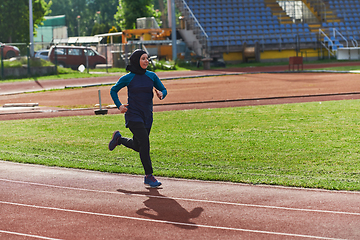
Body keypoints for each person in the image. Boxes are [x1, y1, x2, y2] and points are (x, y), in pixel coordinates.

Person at [108, 49, 167, 188]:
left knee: (138, 146)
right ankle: (149, 176)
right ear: (136, 60)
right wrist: (119, 106)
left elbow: (164, 89)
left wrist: (161, 94)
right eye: (143, 58)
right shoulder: (128, 77)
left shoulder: (152, 76)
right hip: (133, 115)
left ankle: (119, 139)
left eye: (147, 58)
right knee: (145, 143)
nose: (146, 61)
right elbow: (113, 90)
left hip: (147, 116)